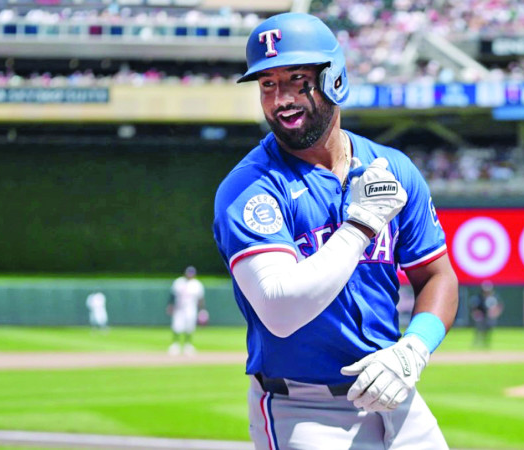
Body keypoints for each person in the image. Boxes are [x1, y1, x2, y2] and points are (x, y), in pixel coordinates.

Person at [212, 12, 458, 449]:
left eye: (295, 79)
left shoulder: (393, 168)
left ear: (335, 80)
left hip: (394, 393)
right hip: (304, 408)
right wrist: (360, 224)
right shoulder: (249, 187)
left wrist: (414, 350)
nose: (281, 98)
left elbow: (437, 275)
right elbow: (280, 309)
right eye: (267, 84)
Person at [167, 266, 205, 356]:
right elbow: (172, 295)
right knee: (177, 326)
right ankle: (175, 345)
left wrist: (202, 310)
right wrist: (170, 305)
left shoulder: (197, 284)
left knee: (189, 327)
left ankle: (188, 345)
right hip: (179, 308)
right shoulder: (179, 282)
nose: (190, 275)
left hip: (191, 308)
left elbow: (201, 299)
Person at [470, 281, 504, 348]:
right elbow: (474, 307)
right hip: (481, 317)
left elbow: (499, 306)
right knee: (479, 330)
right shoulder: (479, 297)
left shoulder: (493, 297)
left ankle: (486, 344)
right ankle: (477, 343)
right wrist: (476, 314)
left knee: (488, 331)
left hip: (489, 317)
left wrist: (495, 313)